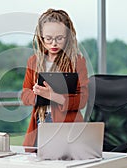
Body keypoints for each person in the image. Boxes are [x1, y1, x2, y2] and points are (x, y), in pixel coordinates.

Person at [20, 8, 89, 152]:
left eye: (59, 38)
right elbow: (24, 95)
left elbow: (82, 100)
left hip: (68, 128)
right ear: (41, 37)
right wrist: (38, 95)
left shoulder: (77, 61)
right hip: (41, 123)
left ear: (68, 36)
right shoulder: (34, 61)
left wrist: (54, 96)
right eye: (48, 39)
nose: (54, 44)